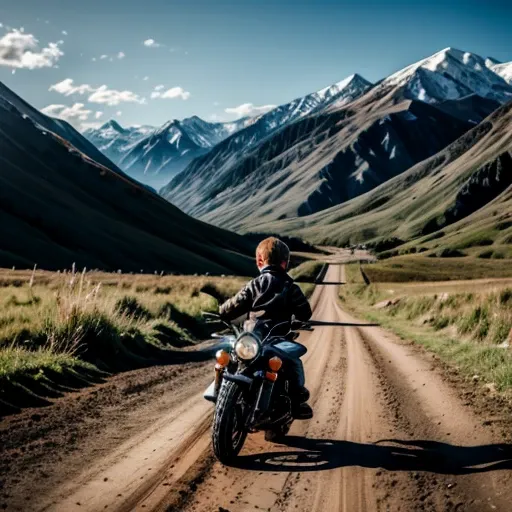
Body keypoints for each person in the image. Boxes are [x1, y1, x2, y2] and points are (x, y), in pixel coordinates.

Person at [219, 237, 313, 419]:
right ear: (285, 264)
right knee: (294, 363)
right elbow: (305, 313)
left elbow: (232, 307)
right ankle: (297, 399)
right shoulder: (290, 286)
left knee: (231, 360)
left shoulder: (253, 285)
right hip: (277, 340)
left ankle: (220, 393)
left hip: (251, 339)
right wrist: (298, 317)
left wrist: (221, 311)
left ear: (259, 261)